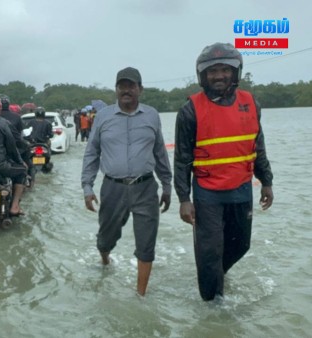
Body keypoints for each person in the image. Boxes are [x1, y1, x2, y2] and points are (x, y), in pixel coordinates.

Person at [174, 42, 274, 301]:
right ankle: (212, 311)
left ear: (235, 71)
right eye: (212, 71)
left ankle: (217, 275)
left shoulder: (251, 103)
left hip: (241, 189)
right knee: (209, 254)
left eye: (224, 70)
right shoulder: (189, 111)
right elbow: (182, 159)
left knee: (241, 245)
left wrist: (266, 181)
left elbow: (258, 145)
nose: (219, 76)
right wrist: (184, 199)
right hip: (207, 194)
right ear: (202, 76)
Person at [81, 67, 172, 296]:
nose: (126, 90)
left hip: (145, 187)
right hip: (113, 188)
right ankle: (104, 258)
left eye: (131, 86)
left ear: (140, 89)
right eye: (122, 86)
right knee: (106, 237)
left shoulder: (151, 115)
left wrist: (168, 185)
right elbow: (92, 153)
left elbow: (160, 152)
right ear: (116, 90)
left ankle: (140, 295)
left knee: (146, 242)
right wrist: (87, 187)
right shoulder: (103, 117)